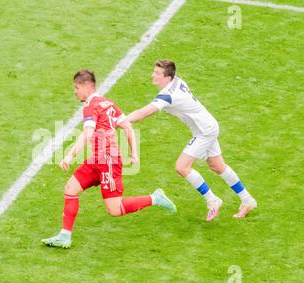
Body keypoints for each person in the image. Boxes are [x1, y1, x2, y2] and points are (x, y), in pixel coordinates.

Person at [41, 69, 176, 248]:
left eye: (76, 87)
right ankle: (65, 236)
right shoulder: (108, 103)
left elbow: (87, 134)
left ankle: (155, 198)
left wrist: (69, 155)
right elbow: (127, 127)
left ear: (87, 86)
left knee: (114, 209)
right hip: (96, 160)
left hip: (108, 163)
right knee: (70, 189)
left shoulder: (91, 106)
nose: (75, 91)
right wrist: (134, 153)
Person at [127, 60, 257, 221]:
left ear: (168, 78)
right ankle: (247, 200)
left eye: (157, 74)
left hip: (204, 132)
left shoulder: (168, 95)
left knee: (182, 167)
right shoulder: (177, 81)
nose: (153, 75)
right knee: (217, 166)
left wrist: (122, 121)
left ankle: (212, 200)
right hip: (207, 126)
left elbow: (143, 113)